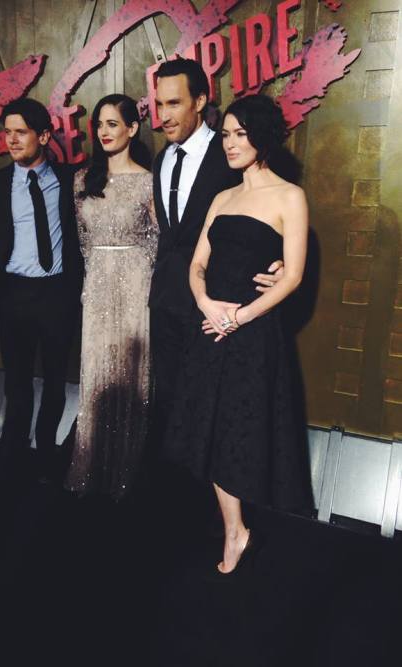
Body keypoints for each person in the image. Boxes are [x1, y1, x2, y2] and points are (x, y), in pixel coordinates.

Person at [166, 94, 313, 574]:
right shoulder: (222, 197)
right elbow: (197, 265)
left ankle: (237, 532)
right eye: (225, 134)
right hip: (209, 327)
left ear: (263, 136)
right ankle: (236, 530)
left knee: (237, 430)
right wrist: (208, 305)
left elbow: (291, 277)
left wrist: (240, 317)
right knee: (207, 428)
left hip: (252, 333)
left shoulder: (290, 196)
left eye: (239, 134)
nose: (230, 143)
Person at [149, 58, 283, 444]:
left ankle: (208, 500)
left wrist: (281, 259)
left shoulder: (234, 155)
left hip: (220, 307)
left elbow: (271, 211)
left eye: (173, 103)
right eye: (159, 105)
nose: (163, 116)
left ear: (200, 101)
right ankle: (176, 494)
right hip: (167, 302)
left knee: (214, 411)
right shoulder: (161, 160)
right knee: (172, 405)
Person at [0, 98, 83, 494]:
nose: (12, 140)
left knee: (54, 382)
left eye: (20, 132)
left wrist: (73, 292)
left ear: (44, 135)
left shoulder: (72, 180)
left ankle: (46, 457)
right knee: (16, 384)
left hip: (56, 296)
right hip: (14, 296)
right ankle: (11, 460)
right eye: (7, 132)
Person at [65, 94, 158, 498]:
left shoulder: (148, 181)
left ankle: (126, 472)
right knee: (97, 374)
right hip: (98, 283)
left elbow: (157, 241)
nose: (103, 132)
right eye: (99, 125)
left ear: (132, 128)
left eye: (112, 124)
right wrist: (92, 283)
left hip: (137, 284)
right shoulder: (83, 178)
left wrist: (144, 286)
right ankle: (89, 466)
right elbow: (83, 240)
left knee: (132, 375)